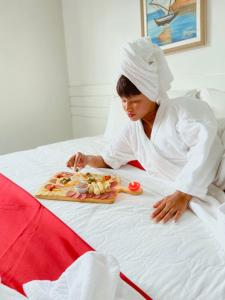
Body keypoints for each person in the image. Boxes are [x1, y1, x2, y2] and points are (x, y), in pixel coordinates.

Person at [67, 37, 224, 224]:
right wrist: (87, 159)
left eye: (135, 100)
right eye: (123, 100)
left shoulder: (183, 109)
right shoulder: (132, 129)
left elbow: (207, 149)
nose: (127, 108)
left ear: (151, 94)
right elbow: (109, 159)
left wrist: (183, 194)